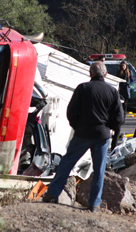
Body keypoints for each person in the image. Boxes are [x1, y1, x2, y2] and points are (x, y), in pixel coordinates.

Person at [43, 62, 124, 212]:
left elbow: (71, 111)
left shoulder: (83, 88)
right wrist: (108, 127)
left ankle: (52, 194)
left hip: (82, 134)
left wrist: (77, 126)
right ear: (105, 74)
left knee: (67, 163)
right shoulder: (112, 91)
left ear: (90, 73)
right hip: (102, 135)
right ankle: (94, 204)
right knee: (99, 170)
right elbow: (119, 118)